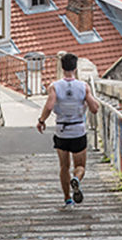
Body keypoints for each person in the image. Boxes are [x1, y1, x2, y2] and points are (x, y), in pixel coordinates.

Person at [36, 53, 99, 208]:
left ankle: (67, 199)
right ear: (76, 68)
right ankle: (76, 179)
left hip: (61, 131)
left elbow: (50, 106)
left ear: (62, 68)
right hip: (78, 130)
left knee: (64, 167)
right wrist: (86, 98)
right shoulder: (83, 86)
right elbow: (94, 108)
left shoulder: (54, 86)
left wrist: (41, 121)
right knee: (81, 167)